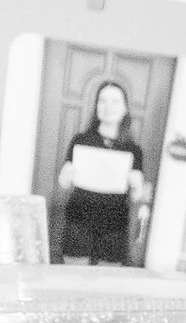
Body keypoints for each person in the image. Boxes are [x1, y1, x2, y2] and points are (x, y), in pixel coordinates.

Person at [53, 74, 150, 265]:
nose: (108, 106)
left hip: (114, 225)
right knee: (74, 274)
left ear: (125, 108)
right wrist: (64, 177)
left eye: (115, 101)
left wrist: (137, 186)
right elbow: (64, 184)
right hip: (78, 220)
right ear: (96, 106)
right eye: (102, 101)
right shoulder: (80, 141)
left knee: (108, 277)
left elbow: (136, 197)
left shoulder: (133, 150)